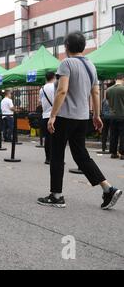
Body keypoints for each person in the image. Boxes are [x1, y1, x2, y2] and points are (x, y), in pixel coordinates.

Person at [38, 31, 122, 210]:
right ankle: (108, 188)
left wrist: (52, 116)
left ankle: (56, 195)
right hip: (82, 118)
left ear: (66, 46)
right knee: (81, 155)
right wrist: (96, 115)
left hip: (64, 117)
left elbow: (62, 91)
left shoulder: (66, 63)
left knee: (57, 154)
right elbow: (96, 92)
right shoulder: (91, 65)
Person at [39, 72, 56, 164]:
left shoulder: (42, 89)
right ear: (54, 77)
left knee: (47, 138)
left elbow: (40, 102)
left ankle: (48, 158)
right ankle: (56, 158)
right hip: (55, 115)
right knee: (57, 139)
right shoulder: (55, 86)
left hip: (45, 115)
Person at [107, 74, 124, 159]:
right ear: (123, 79)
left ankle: (113, 153)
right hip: (122, 115)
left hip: (112, 115)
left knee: (113, 135)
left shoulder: (109, 90)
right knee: (123, 135)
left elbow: (108, 102)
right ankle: (123, 153)